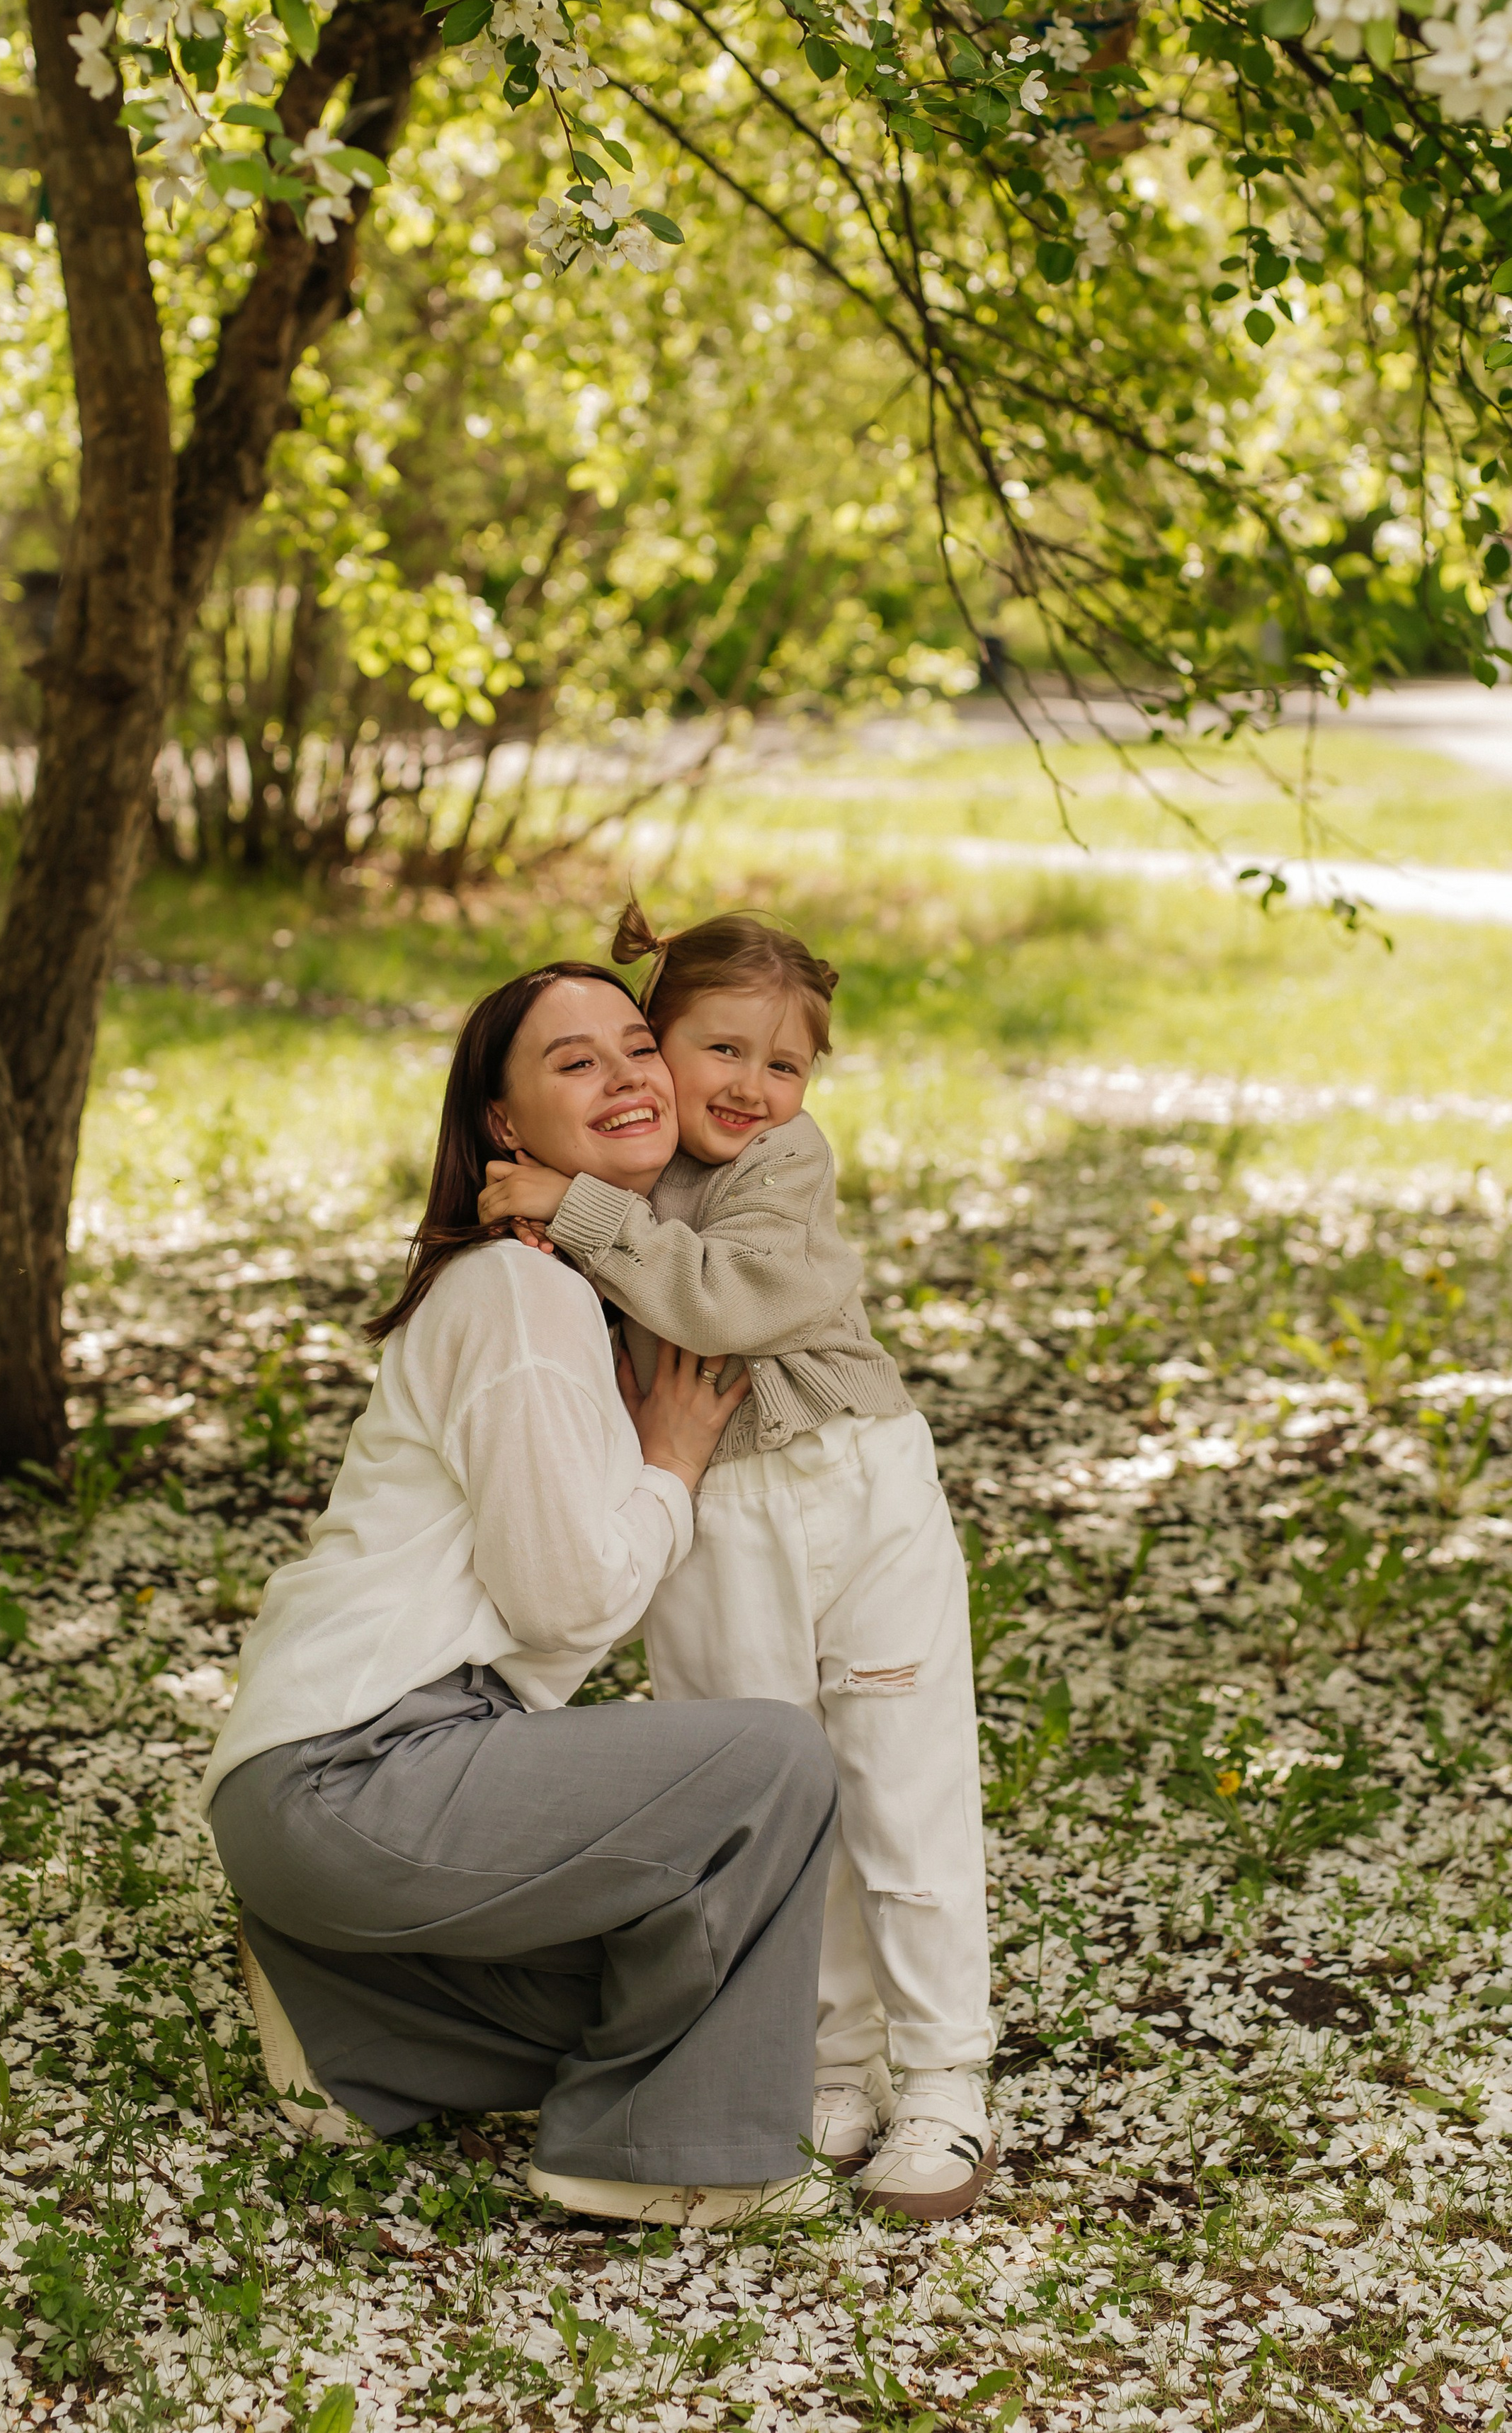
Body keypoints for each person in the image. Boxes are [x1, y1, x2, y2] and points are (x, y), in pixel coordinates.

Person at [203, 963, 843, 2230]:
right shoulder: (519, 1290)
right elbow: (560, 1602)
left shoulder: (565, 1285)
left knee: (686, 1964)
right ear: (503, 1125)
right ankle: (649, 2153)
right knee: (774, 1761)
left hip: (326, 1790)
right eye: (573, 1062)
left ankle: (350, 2023)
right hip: (358, 1764)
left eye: (635, 1047)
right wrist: (668, 1463)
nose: (626, 1077)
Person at [477, 902, 996, 2221]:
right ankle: (834, 2062)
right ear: (655, 1045)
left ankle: (946, 2083)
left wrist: (582, 1215)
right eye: (721, 1051)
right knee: (775, 1793)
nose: (756, 1090)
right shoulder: (620, 1167)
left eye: (788, 1064)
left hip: (854, 1484)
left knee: (901, 1780)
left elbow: (728, 1299)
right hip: (705, 1514)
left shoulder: (783, 1168)